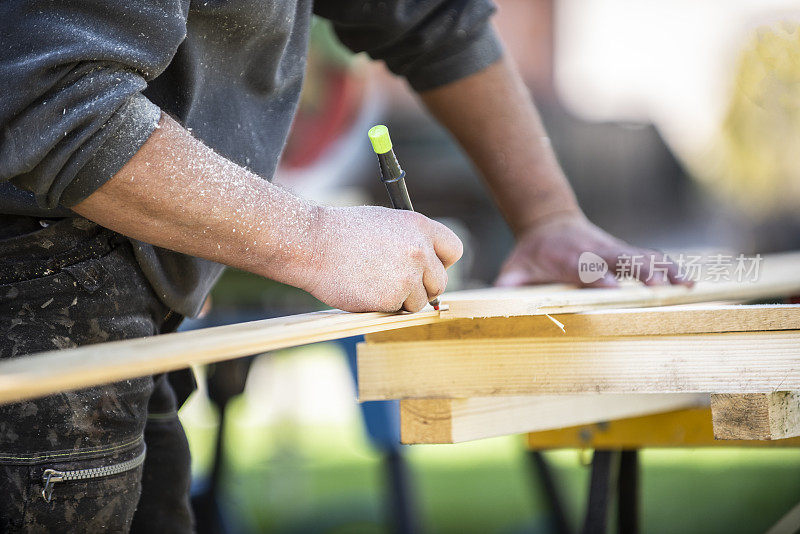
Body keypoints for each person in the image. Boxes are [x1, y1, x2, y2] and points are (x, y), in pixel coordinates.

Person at [0, 1, 688, 531]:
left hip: (129, 303)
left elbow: (432, 19)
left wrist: (547, 217)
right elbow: (53, 96)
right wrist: (317, 239)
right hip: (30, 297)